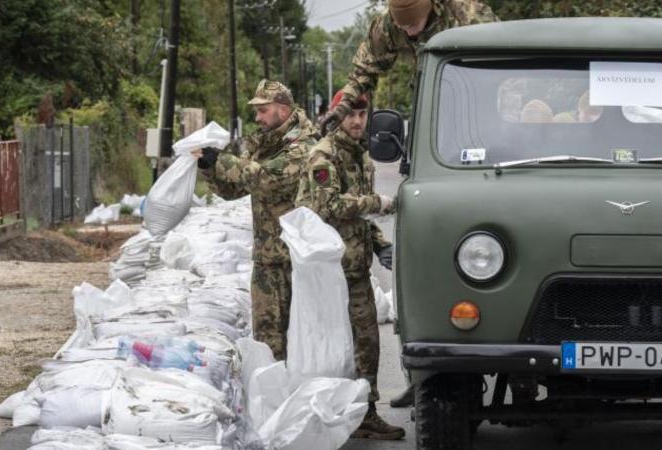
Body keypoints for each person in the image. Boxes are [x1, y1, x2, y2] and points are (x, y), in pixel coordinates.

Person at [295, 90, 403, 440]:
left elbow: (359, 218)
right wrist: (379, 202)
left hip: (355, 271)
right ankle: (328, 414)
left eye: (362, 114)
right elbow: (328, 206)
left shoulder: (361, 158)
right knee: (331, 348)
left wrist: (380, 243)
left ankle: (366, 413)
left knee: (367, 342)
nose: (357, 121)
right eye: (350, 115)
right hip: (328, 274)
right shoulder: (324, 155)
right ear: (336, 115)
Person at [196, 79, 317, 361]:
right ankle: (274, 399)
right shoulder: (264, 144)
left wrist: (222, 161)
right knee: (267, 340)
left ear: (283, 110)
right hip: (267, 259)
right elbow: (234, 188)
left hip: (296, 262)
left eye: (263, 110)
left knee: (302, 342)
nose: (257, 117)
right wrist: (210, 169)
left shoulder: (303, 145)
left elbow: (266, 178)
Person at [320, 0, 498, 134]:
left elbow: (506, 62)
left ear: (429, 9)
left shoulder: (466, 16)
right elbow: (364, 71)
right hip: (430, 112)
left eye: (412, 24)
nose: (408, 32)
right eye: (401, 26)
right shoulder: (386, 26)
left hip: (477, 106)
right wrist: (343, 106)